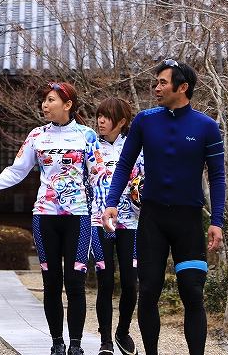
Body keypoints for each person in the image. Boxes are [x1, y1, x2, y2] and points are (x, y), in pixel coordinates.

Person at [0, 82, 108, 355]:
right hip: (44, 216)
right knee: (51, 282)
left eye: (50, 100)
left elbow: (100, 175)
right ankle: (56, 344)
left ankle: (76, 345)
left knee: (75, 282)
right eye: (43, 100)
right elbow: (16, 171)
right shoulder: (37, 136)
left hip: (78, 216)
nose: (44, 104)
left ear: (67, 105)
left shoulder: (87, 136)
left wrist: (110, 209)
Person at [101, 59, 225, 355]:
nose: (156, 88)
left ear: (183, 88)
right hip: (152, 219)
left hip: (189, 221)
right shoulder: (145, 120)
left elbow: (218, 177)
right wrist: (111, 203)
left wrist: (217, 220)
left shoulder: (207, 127)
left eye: (162, 83)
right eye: (155, 82)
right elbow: (124, 165)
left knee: (192, 293)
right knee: (149, 293)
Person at [90, 98, 144, 355]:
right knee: (105, 282)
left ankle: (122, 331)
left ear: (121, 122)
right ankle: (105, 342)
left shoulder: (137, 149)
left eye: (107, 116)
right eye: (99, 116)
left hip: (131, 223)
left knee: (130, 282)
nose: (100, 121)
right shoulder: (89, 147)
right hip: (98, 222)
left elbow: (144, 183)